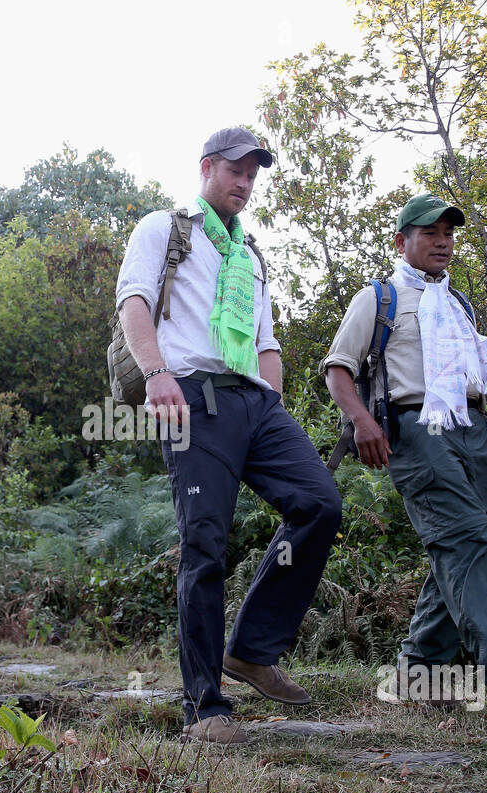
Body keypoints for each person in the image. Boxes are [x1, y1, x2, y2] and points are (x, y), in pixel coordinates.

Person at [115, 127, 343, 744]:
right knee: (206, 544)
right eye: (235, 171)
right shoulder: (165, 229)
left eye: (253, 174)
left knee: (319, 503)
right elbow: (133, 301)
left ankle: (251, 650)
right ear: (207, 168)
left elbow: (267, 341)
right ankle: (205, 707)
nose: (245, 183)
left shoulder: (250, 257)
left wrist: (271, 397)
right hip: (193, 396)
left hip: (255, 404)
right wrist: (157, 372)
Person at [321, 194, 487, 721]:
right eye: (429, 232)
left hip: (472, 427)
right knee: (461, 536)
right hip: (415, 431)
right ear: (401, 242)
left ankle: (418, 674)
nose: (442, 242)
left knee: (465, 544)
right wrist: (363, 422)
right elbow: (338, 369)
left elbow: (466, 372)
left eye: (448, 233)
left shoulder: (458, 304)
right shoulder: (379, 297)